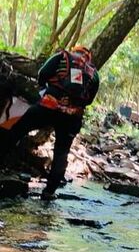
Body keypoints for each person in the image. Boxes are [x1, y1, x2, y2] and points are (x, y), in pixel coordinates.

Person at [0, 46, 99, 200]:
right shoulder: (93, 73)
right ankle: (49, 192)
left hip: (48, 107)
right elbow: (90, 99)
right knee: (61, 151)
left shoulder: (62, 56)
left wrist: (48, 89)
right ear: (89, 57)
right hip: (72, 117)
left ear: (75, 50)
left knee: (17, 130)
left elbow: (42, 74)